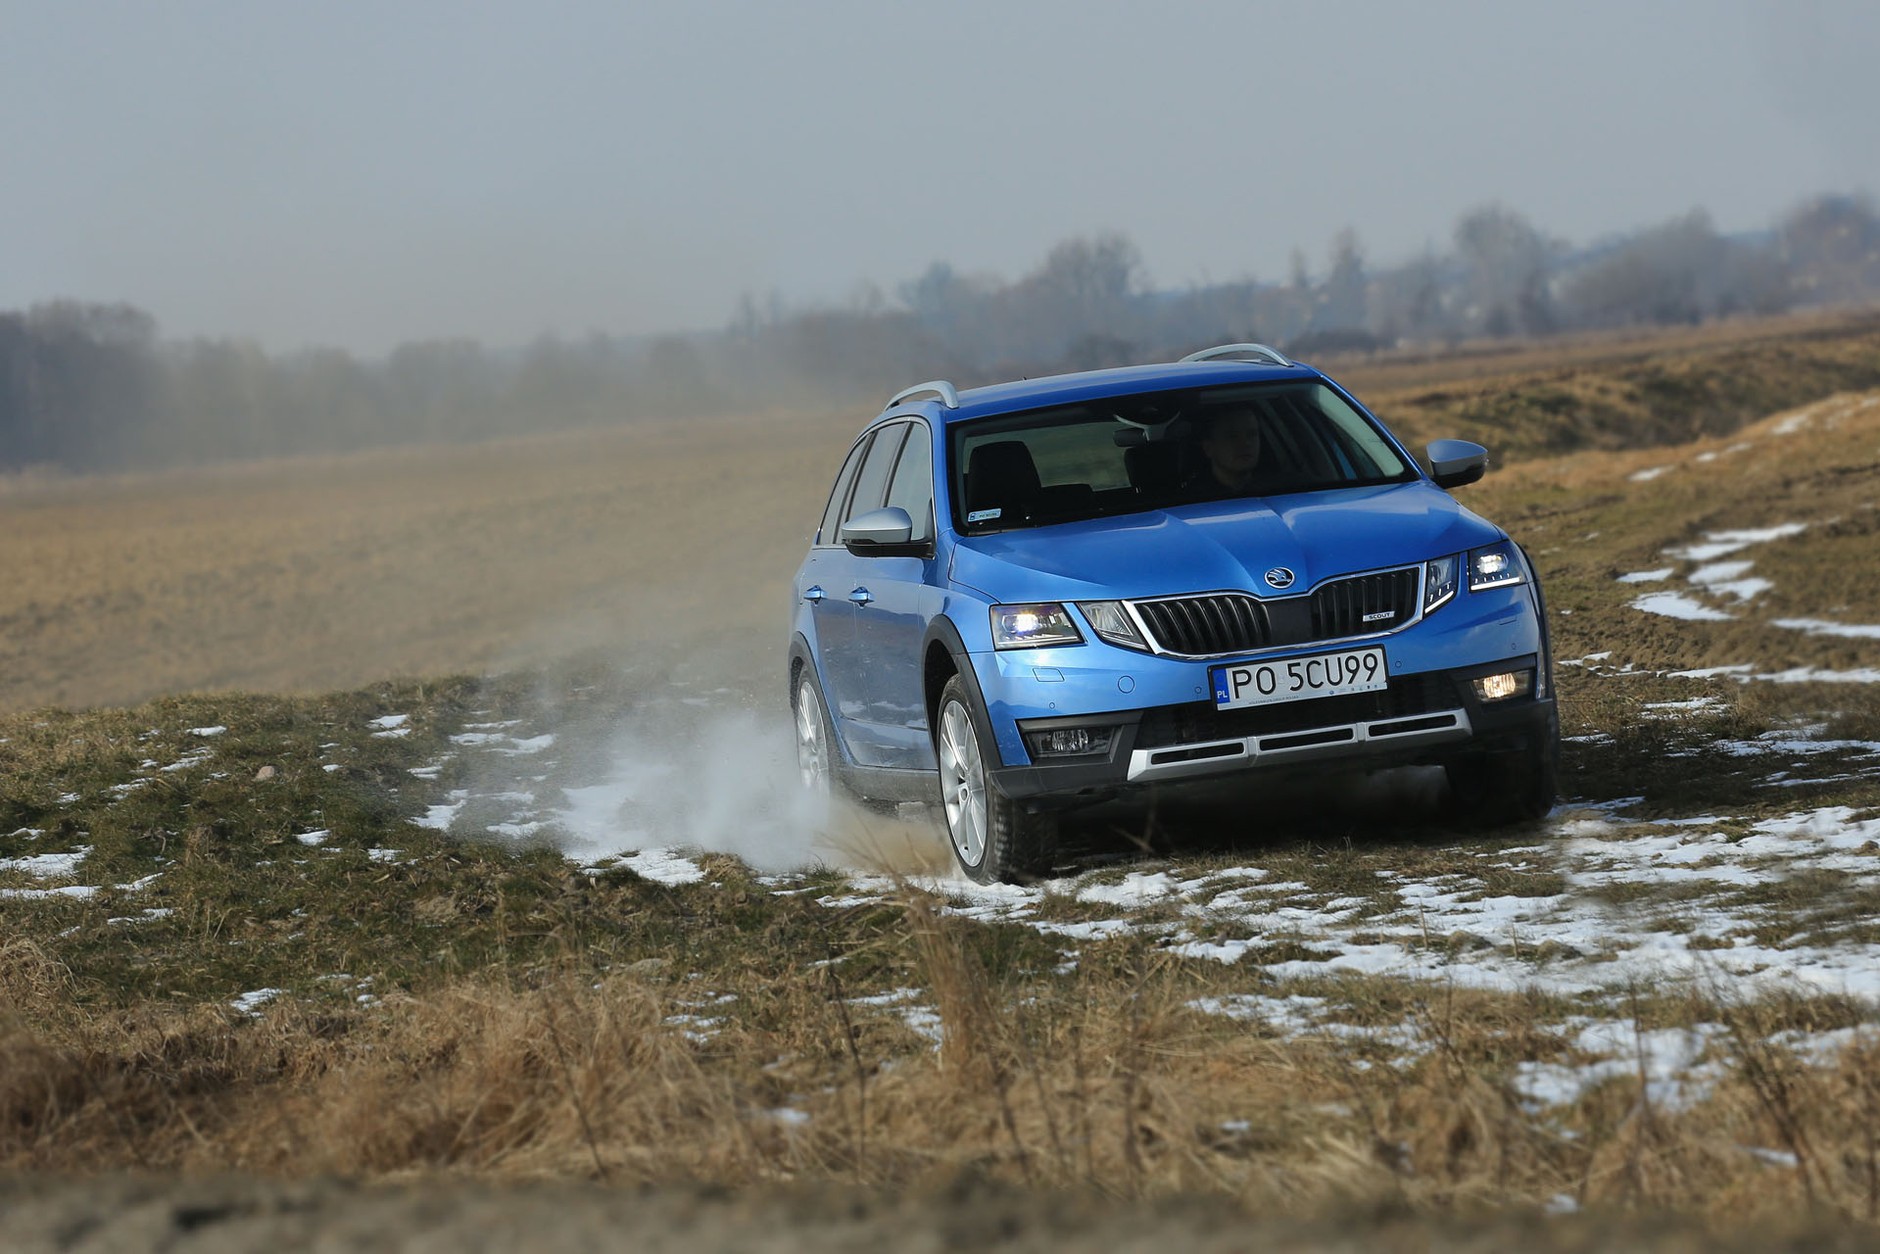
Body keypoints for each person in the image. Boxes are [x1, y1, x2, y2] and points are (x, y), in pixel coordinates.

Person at [1183, 407, 1287, 499]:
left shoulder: (1283, 490)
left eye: (1252, 434)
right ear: (1208, 448)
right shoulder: (1191, 500)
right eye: (1232, 436)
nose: (1246, 443)